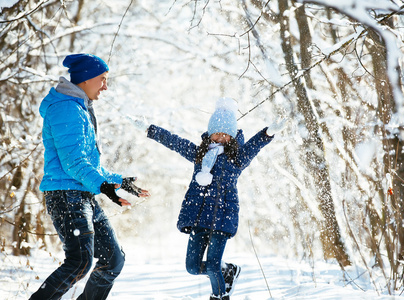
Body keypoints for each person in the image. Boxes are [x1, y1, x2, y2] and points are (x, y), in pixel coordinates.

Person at [30, 53, 150, 300]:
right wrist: (104, 187)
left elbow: (87, 163)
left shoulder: (78, 108)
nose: (105, 86)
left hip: (81, 195)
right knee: (80, 262)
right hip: (65, 195)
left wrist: (117, 180)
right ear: (85, 79)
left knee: (112, 260)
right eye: (103, 79)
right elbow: (73, 163)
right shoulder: (66, 108)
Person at [143, 97, 284, 300]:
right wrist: (151, 130)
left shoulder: (237, 159)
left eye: (225, 134)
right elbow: (175, 142)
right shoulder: (199, 155)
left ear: (231, 136)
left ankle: (219, 296)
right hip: (199, 219)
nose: (219, 137)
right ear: (209, 134)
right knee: (192, 267)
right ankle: (228, 271)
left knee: (212, 266)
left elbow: (254, 146)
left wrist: (267, 133)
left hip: (222, 218)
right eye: (216, 132)